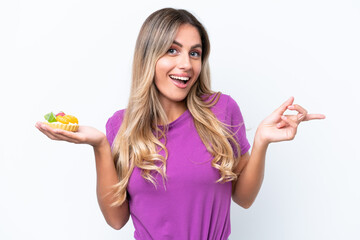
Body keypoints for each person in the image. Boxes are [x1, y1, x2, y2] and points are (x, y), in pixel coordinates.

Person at [35, 8, 325, 240]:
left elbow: (244, 199)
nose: (186, 64)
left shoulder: (222, 110)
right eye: (172, 50)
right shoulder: (120, 125)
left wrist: (261, 141)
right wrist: (99, 145)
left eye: (194, 53)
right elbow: (116, 220)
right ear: (149, 57)